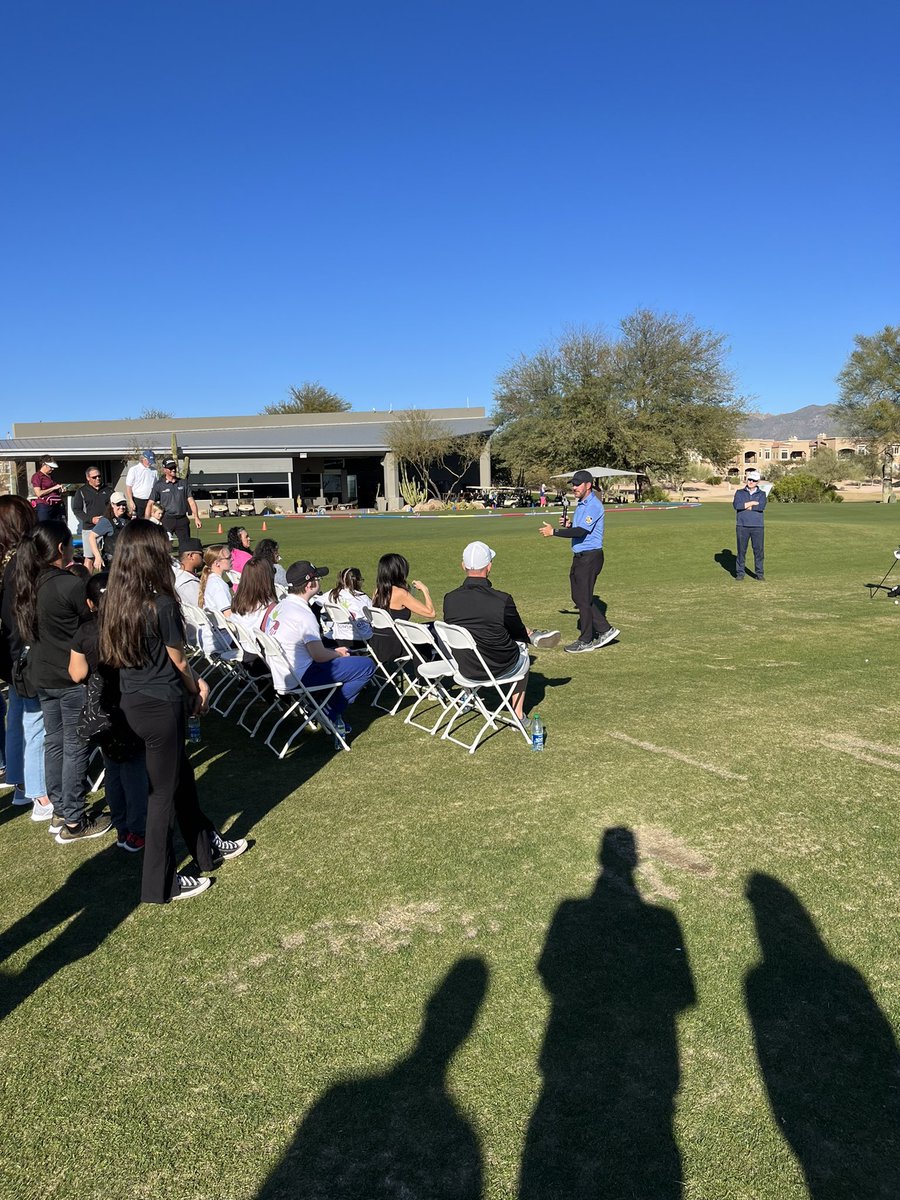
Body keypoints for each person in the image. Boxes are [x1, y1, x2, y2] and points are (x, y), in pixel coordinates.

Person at [100, 520, 247, 903]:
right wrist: (198, 686)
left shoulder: (117, 600)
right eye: (163, 545)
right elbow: (179, 662)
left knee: (181, 779)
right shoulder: (161, 603)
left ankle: (205, 849)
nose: (169, 551)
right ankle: (160, 884)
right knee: (162, 795)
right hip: (161, 704)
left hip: (137, 701)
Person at [14, 520, 108, 842]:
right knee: (73, 744)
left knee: (55, 742)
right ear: (60, 549)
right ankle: (73, 819)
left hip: (44, 675)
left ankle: (60, 808)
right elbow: (94, 618)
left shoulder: (29, 583)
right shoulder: (67, 585)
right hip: (68, 676)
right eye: (70, 544)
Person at [68, 573, 148, 852]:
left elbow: (77, 674)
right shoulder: (133, 625)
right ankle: (138, 830)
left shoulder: (85, 632)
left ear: (91, 604)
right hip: (129, 704)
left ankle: (124, 827)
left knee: (114, 769)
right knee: (135, 770)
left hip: (101, 708)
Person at [443, 541, 560, 722]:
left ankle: (468, 697)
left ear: (463, 566)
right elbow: (517, 634)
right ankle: (518, 715)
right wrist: (525, 634)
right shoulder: (502, 599)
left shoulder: (449, 599)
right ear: (489, 567)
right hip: (495, 666)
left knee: (476, 640)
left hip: (464, 668)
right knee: (522, 648)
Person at [265, 560, 375, 745]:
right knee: (366, 666)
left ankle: (321, 704)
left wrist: (333, 652)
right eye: (317, 578)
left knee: (337, 652)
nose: (319, 581)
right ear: (309, 584)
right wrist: (338, 654)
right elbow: (319, 656)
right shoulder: (303, 613)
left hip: (282, 671)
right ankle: (329, 710)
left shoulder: (279, 606)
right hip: (301, 673)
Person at [0, 495, 51, 819]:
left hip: (10, 652)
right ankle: (41, 795)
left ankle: (20, 784)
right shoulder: (22, 559)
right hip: (24, 650)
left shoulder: (7, 558)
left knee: (19, 718)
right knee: (35, 722)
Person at [540, 469, 620, 654]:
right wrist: (568, 525)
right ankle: (606, 629)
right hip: (581, 556)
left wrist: (555, 532)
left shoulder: (593, 505)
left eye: (577, 484)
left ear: (588, 485)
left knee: (583, 599)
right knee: (579, 598)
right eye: (573, 484)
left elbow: (582, 532)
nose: (574, 487)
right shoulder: (582, 504)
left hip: (590, 557)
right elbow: (578, 528)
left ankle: (586, 639)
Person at [369, 553, 435, 667]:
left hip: (379, 643)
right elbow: (430, 613)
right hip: (394, 645)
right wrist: (425, 590)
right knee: (431, 632)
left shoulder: (377, 591)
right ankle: (425, 678)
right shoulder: (400, 593)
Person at [146, 457, 201, 546]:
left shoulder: (183, 483)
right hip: (166, 520)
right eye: (170, 468)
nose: (173, 470)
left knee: (186, 545)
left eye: (174, 467)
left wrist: (196, 517)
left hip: (182, 519)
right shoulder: (159, 485)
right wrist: (147, 521)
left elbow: (191, 501)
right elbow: (150, 503)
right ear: (164, 470)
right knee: (164, 546)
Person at [319, 567, 373, 649]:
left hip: (339, 638)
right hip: (361, 640)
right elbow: (372, 620)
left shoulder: (332, 594)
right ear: (358, 581)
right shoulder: (364, 598)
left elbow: (315, 605)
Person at [73, 466, 113, 571]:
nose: (98, 479)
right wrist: (91, 519)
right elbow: (77, 509)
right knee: (89, 558)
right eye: (94, 477)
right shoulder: (81, 491)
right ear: (88, 478)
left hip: (107, 528)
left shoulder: (108, 490)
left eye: (99, 476)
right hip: (90, 528)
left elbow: (114, 506)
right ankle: (86, 582)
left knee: (108, 556)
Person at [197, 544, 235, 654]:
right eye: (228, 558)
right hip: (221, 639)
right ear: (216, 563)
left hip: (212, 636)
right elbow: (229, 616)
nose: (231, 559)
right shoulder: (218, 585)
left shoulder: (211, 579)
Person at [733, 468, 767, 581]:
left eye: (754, 480)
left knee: (758, 551)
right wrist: (752, 503)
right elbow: (737, 505)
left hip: (757, 526)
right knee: (741, 551)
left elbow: (761, 507)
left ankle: (759, 573)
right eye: (750, 479)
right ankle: (740, 573)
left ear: (758, 482)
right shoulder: (739, 492)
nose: (751, 482)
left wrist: (746, 506)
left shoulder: (762, 494)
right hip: (742, 525)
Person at [232, 558, 278, 634]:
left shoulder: (237, 600)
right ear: (268, 578)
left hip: (242, 643)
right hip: (260, 644)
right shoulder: (270, 607)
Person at [84, 493, 130, 568]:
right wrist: (98, 557)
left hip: (126, 561)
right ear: (112, 504)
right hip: (111, 563)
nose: (121, 507)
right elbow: (92, 537)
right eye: (118, 504)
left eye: (124, 504)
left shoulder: (128, 519)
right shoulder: (106, 520)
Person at [30, 456, 66, 523]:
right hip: (44, 506)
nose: (52, 469)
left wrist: (60, 490)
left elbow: (53, 491)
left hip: (55, 506)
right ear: (44, 465)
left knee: (57, 527)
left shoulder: (50, 477)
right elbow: (38, 493)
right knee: (44, 527)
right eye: (50, 467)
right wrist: (53, 488)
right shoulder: (37, 476)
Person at [125, 450, 157, 518]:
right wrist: (130, 500)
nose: (150, 464)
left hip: (150, 500)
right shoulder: (134, 470)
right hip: (138, 500)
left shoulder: (154, 471)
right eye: (149, 461)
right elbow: (129, 487)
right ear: (143, 459)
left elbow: (155, 486)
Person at [172, 537, 204, 606]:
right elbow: (200, 608)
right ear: (191, 556)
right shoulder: (188, 583)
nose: (203, 558)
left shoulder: (175, 574)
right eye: (201, 554)